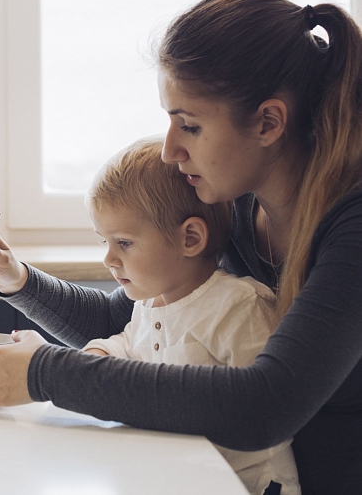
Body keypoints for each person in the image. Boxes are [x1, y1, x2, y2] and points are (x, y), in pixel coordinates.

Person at [0, 0, 362, 495]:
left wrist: (41, 374)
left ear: (268, 122)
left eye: (190, 126)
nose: (170, 150)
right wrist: (20, 284)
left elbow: (264, 406)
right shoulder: (240, 209)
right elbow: (134, 320)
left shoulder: (351, 229)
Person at [87, 137, 299, 494]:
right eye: (103, 241)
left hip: (249, 484)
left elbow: (264, 410)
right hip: (182, 478)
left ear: (190, 239)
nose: (109, 258)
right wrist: (99, 356)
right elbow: (129, 345)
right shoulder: (148, 304)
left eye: (123, 243)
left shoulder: (237, 306)